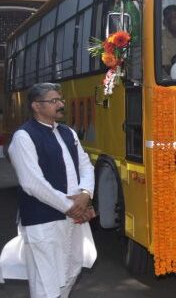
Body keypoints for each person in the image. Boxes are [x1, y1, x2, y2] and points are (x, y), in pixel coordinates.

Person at [1, 83, 96, 298]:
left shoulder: (67, 132)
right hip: (44, 221)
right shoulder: (23, 137)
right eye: (54, 101)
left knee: (71, 271)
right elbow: (32, 183)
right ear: (36, 106)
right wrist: (71, 206)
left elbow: (86, 165)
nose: (61, 105)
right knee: (46, 282)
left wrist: (85, 194)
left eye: (60, 100)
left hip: (74, 218)